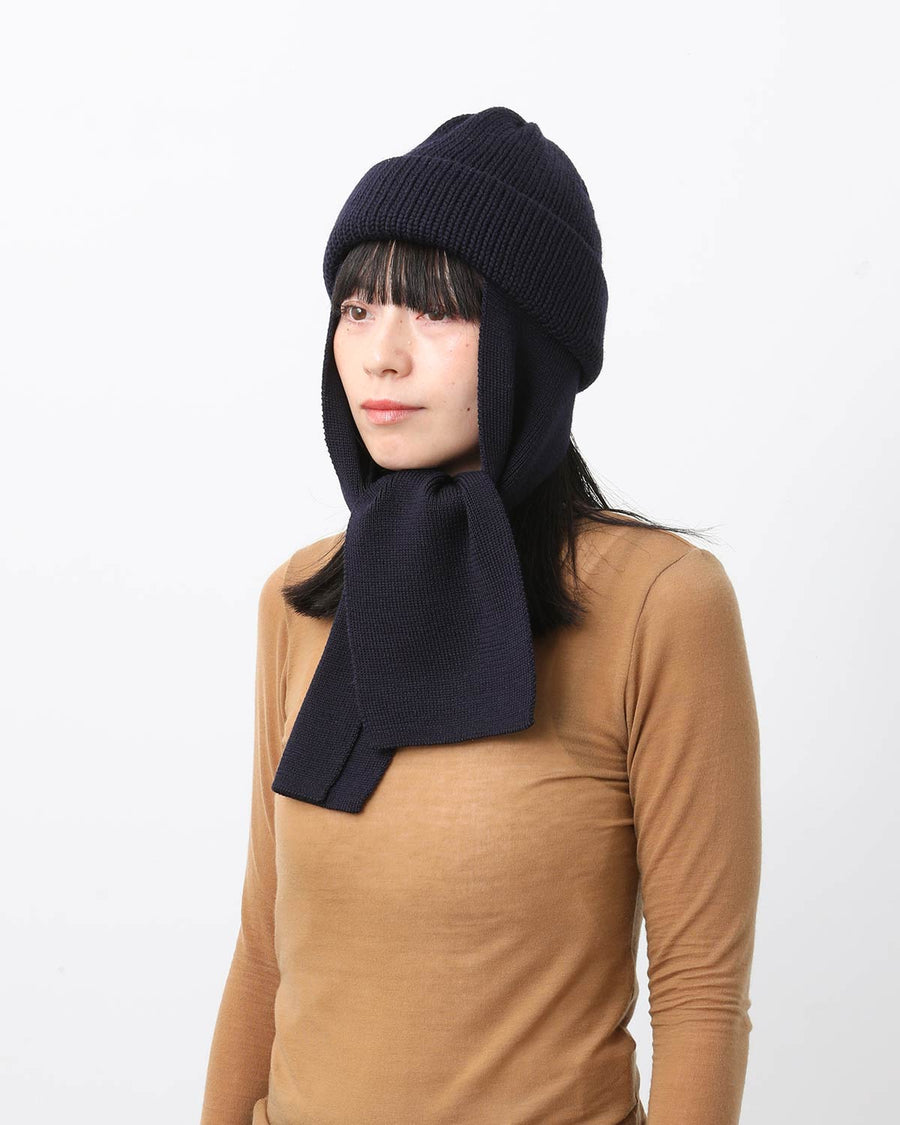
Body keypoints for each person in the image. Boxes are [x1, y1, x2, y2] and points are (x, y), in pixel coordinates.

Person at [199, 106, 762, 1125]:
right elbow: (264, 953)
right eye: (358, 307)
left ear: (530, 346)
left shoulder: (660, 605)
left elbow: (700, 995)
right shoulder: (300, 600)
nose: (382, 354)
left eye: (438, 312)